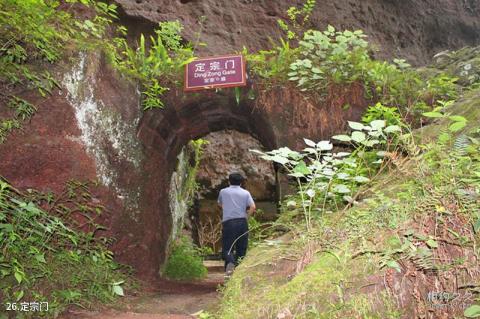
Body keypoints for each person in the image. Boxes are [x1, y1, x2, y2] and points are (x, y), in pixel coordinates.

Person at [217, 172, 256, 276]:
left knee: (227, 248)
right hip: (242, 222)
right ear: (241, 182)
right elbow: (253, 207)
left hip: (229, 222)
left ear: (229, 181)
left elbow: (220, 204)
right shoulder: (245, 193)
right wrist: (246, 217)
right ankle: (238, 273)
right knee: (241, 248)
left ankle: (230, 263)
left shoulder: (223, 192)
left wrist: (228, 210)